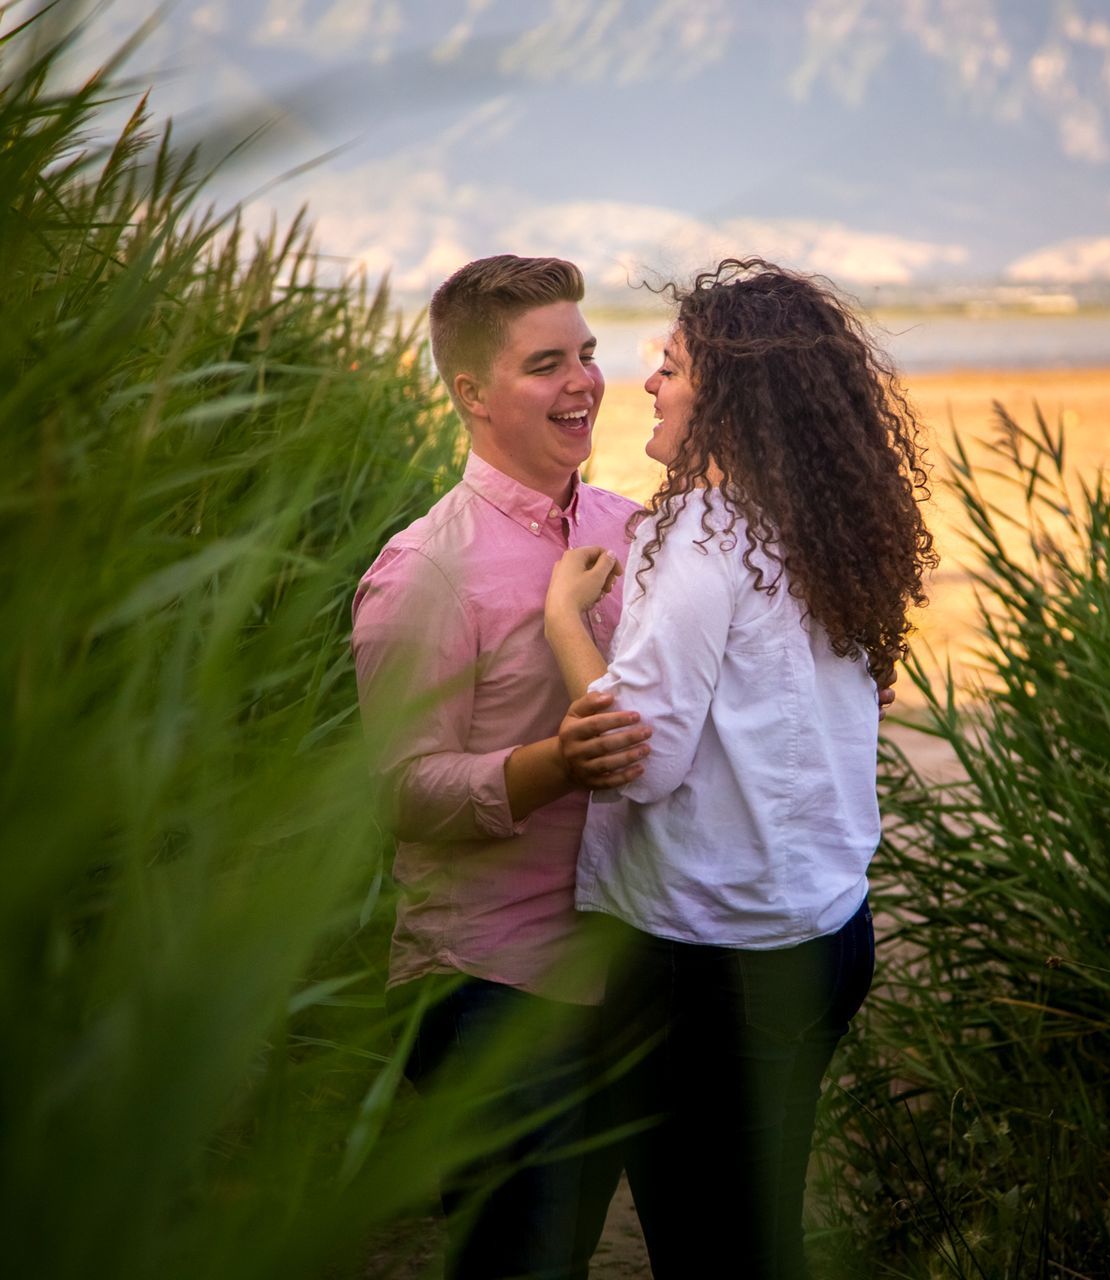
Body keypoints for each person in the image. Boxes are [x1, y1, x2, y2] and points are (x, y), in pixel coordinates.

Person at [543, 259, 936, 1279]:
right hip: (826, 933)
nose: (648, 381)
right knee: (761, 1231)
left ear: (729, 394)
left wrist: (562, 624)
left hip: (705, 965)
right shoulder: (833, 528)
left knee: (713, 1250)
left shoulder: (703, 534)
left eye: (671, 365)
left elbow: (637, 761)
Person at [350, 254, 652, 1280]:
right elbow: (399, 791)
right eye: (544, 364)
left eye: (588, 354)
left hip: (634, 962)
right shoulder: (425, 569)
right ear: (471, 393)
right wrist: (552, 764)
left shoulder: (630, 528)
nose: (583, 382)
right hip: (491, 984)